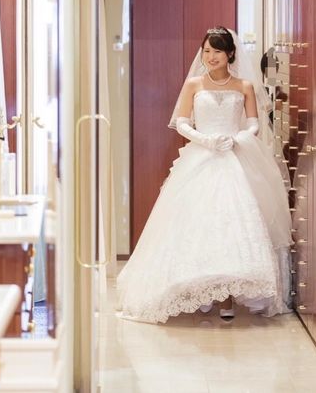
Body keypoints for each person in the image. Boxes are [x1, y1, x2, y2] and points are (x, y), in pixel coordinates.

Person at [116, 26, 292, 323]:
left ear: (230, 54)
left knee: (231, 224)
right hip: (201, 155)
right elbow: (182, 122)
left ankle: (227, 296)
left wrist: (237, 138)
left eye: (217, 51)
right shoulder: (194, 85)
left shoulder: (244, 86)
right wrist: (205, 140)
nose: (210, 57)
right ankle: (202, 289)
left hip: (233, 157)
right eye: (207, 51)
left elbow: (254, 124)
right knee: (196, 223)